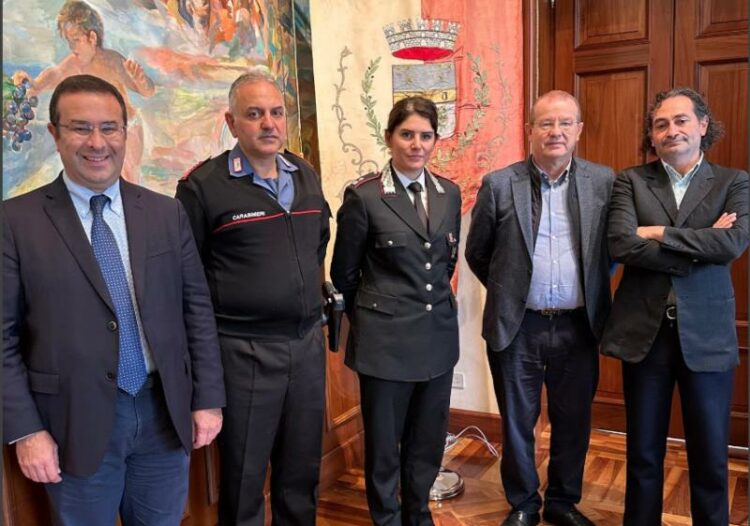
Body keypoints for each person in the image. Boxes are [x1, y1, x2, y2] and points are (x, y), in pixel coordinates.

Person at [3, 74, 225, 525]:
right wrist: (26, 430)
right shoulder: (15, 222)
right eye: (80, 128)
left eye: (109, 128)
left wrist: (208, 398)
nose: (97, 142)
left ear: (125, 132)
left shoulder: (165, 212)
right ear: (55, 134)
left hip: (164, 415)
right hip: (72, 424)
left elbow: (196, 312)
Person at [175, 67, 331, 526]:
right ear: (231, 122)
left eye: (277, 112)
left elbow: (317, 245)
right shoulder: (202, 187)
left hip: (306, 347)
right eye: (254, 114)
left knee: (301, 472)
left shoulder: (305, 174)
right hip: (243, 353)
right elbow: (187, 279)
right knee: (244, 478)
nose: (269, 123)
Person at [601, 87, 749, 525]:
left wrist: (657, 232)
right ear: (652, 135)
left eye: (681, 120)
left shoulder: (733, 182)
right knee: (643, 452)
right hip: (645, 336)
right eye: (661, 124)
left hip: (707, 336)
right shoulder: (630, 180)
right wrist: (700, 244)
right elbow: (621, 244)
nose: (671, 131)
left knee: (710, 454)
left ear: (703, 125)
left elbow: (732, 244)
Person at [466, 90, 614, 526]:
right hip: (519, 326)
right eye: (546, 123)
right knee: (517, 421)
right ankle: (524, 504)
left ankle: (563, 502)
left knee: (574, 420)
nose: (556, 132)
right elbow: (478, 253)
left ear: (579, 130)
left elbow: (610, 251)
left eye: (565, 123)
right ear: (530, 130)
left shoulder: (603, 182)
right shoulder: (499, 184)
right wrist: (512, 292)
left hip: (578, 326)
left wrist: (587, 286)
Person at [331, 96, 462, 526]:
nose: (416, 145)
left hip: (437, 338)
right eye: (407, 134)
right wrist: (378, 318)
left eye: (426, 135)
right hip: (384, 345)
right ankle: (386, 520)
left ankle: (418, 515)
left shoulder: (448, 194)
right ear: (389, 137)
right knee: (385, 448)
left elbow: (445, 263)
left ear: (435, 140)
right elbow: (344, 274)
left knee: (426, 443)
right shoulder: (366, 196)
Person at [16, 0, 155, 182]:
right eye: (69, 41)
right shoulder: (74, 63)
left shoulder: (111, 61)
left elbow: (148, 92)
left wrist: (141, 81)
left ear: (92, 38)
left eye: (76, 40)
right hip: (96, 131)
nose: (72, 48)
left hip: (127, 128)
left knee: (128, 178)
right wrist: (34, 84)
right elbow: (54, 74)